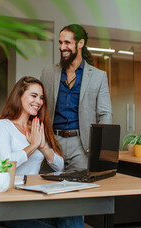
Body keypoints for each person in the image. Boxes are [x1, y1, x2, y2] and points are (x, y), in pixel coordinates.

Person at [0, 76, 84, 228]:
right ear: (19, 96)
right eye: (33, 96)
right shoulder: (3, 125)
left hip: (36, 200)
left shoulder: (36, 126)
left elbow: (60, 166)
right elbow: (5, 163)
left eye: (41, 97)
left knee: (72, 211)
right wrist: (32, 146)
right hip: (12, 206)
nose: (39, 101)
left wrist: (43, 147)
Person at [40, 24, 112, 172]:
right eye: (60, 43)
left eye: (67, 43)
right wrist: (11, 115)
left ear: (80, 43)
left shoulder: (98, 76)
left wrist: (98, 143)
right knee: (49, 188)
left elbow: (105, 114)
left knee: (80, 190)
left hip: (81, 144)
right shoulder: (48, 72)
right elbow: (36, 104)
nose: (62, 47)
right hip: (53, 141)